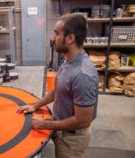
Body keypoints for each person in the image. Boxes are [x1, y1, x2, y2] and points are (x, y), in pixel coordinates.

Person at [17, 13, 98, 158]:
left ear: (70, 38)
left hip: (72, 138)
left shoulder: (83, 74)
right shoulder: (69, 60)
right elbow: (59, 88)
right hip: (60, 126)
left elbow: (82, 120)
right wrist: (36, 105)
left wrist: (46, 125)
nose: (53, 39)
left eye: (56, 33)